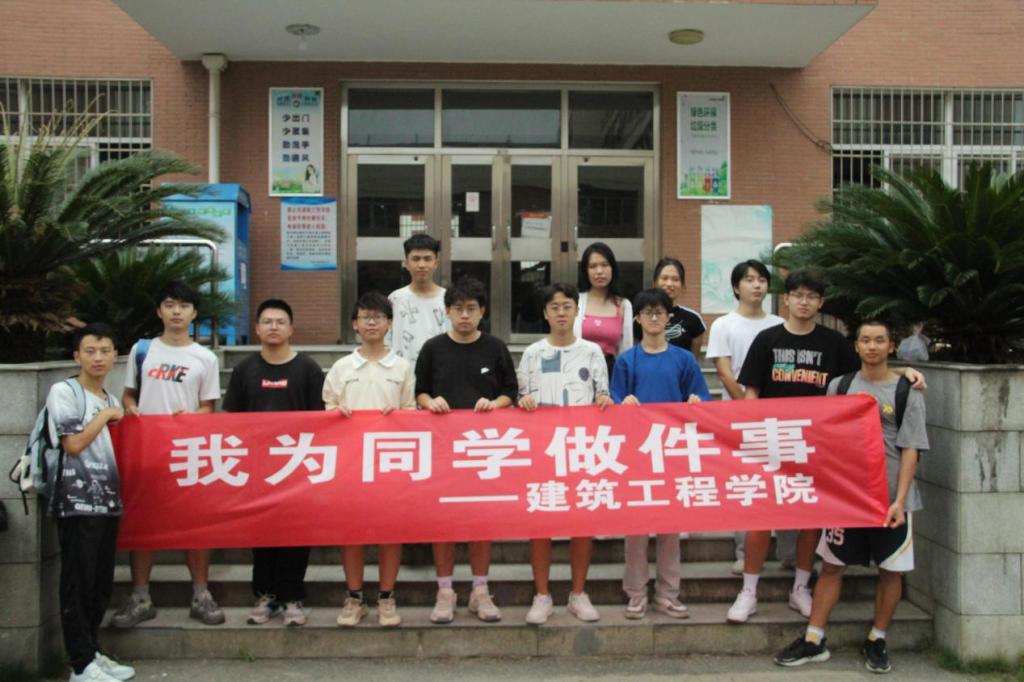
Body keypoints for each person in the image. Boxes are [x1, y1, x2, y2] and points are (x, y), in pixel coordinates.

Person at [727, 271, 925, 625]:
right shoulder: (767, 339)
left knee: (812, 521)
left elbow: (867, 374)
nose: (803, 301)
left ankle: (801, 587)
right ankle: (749, 591)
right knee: (761, 520)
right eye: (797, 295)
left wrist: (905, 371)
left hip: (818, 448)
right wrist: (750, 436)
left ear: (821, 303)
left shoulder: (834, 343)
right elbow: (752, 391)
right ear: (786, 299)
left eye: (811, 296)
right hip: (771, 443)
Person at [773, 319, 928, 674]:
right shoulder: (839, 387)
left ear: (891, 346)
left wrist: (900, 500)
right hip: (848, 498)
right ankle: (814, 638)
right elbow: (828, 441)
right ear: (856, 346)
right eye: (865, 340)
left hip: (891, 500)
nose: (872, 346)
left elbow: (911, 449)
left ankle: (877, 638)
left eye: (879, 340)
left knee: (891, 571)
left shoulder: (907, 391)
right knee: (831, 565)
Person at [112, 281, 224, 629]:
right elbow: (128, 394)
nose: (177, 312)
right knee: (143, 524)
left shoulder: (205, 358)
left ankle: (201, 594)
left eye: (184, 306)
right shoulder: (142, 350)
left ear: (194, 313)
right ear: (159, 311)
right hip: (147, 452)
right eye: (170, 304)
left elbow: (209, 408)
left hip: (189, 454)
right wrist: (131, 408)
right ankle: (140, 597)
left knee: (195, 526)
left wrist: (192, 418)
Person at [415, 278, 518, 624]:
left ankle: (480, 590)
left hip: (483, 450)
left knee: (480, 521)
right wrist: (430, 402)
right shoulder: (432, 348)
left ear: (482, 311)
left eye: (471, 309)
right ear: (447, 311)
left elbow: (511, 392)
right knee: (443, 522)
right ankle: (445, 591)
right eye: (458, 308)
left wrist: (494, 403)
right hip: (442, 449)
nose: (464, 315)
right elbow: (420, 392)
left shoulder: (495, 348)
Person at [221, 299, 325, 628]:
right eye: (267, 322)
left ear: (291, 328)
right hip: (257, 468)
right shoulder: (244, 370)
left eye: (280, 321)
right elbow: (231, 418)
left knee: (296, 533)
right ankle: (265, 595)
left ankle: (293, 597)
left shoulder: (308, 369)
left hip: (297, 465)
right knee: (262, 533)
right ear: (257, 328)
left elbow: (320, 419)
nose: (274, 327)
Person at [611, 288, 711, 620]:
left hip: (672, 452)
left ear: (669, 317)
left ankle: (668, 594)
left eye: (659, 312)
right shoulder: (627, 360)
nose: (654, 318)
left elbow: (702, 397)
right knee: (636, 530)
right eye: (647, 312)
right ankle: (636, 594)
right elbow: (613, 400)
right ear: (638, 319)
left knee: (671, 529)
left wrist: (696, 402)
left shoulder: (683, 359)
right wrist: (623, 404)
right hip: (636, 454)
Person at [517, 283, 612, 625]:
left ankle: (578, 593)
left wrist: (604, 400)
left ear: (576, 311)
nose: (561, 312)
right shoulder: (532, 354)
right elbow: (521, 399)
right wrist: (524, 402)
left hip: (582, 448)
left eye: (567, 306)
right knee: (540, 523)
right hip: (543, 449)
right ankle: (542, 595)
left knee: (581, 523)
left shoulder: (592, 352)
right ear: (545, 313)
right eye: (554, 307)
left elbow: (603, 395)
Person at [49, 323, 137, 682]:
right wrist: (105, 416)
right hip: (76, 502)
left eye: (104, 351)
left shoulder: (111, 399)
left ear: (115, 356)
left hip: (107, 501)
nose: (98, 358)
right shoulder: (65, 391)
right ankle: (80, 664)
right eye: (90, 351)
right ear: (77, 356)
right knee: (78, 581)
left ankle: (92, 652)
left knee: (100, 583)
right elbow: (72, 444)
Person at [323, 292, 416, 628]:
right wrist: (338, 412)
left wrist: (399, 415)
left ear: (389, 324)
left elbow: (412, 411)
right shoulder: (341, 367)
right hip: (350, 465)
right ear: (355, 324)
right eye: (366, 317)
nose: (372, 322)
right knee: (352, 533)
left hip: (390, 464)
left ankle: (387, 598)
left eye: (379, 317)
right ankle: (355, 598)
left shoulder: (402, 367)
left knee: (390, 532)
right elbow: (326, 411)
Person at [704, 260, 788, 575]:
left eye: (762, 279)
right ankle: (744, 553)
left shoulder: (780, 323)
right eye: (749, 279)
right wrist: (748, 409)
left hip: (779, 419)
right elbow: (725, 373)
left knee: (785, 482)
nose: (756, 285)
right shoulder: (724, 325)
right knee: (747, 485)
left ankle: (790, 553)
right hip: (739, 416)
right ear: (736, 287)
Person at [388, 233, 450, 368]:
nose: (422, 265)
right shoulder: (395, 299)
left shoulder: (449, 299)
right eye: (416, 259)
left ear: (436, 263)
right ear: (406, 263)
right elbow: (386, 340)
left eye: (427, 259)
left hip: (440, 372)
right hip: (402, 373)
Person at [574, 242, 633, 378]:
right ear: (585, 271)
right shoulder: (576, 301)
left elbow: (626, 348)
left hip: (611, 372)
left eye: (604, 265)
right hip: (579, 370)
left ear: (612, 268)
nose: (599, 271)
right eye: (593, 266)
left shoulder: (623, 305)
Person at [633, 257, 706, 355]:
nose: (669, 284)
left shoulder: (693, 319)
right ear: (654, 282)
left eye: (675, 279)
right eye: (664, 278)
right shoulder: (641, 318)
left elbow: (693, 358)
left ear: (682, 285)